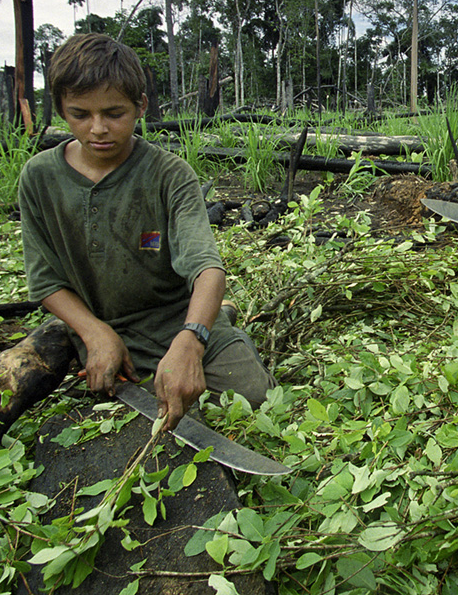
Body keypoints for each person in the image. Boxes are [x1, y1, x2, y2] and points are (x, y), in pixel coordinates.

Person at [18, 33, 275, 430]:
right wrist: (95, 333)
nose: (98, 128)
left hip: (176, 319)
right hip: (103, 324)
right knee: (114, 406)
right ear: (60, 110)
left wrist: (191, 340)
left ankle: (216, 322)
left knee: (250, 396)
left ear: (140, 106)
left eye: (114, 113)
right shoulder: (40, 177)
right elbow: (45, 280)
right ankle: (205, 324)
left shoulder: (169, 174)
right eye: (80, 114)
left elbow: (207, 268)